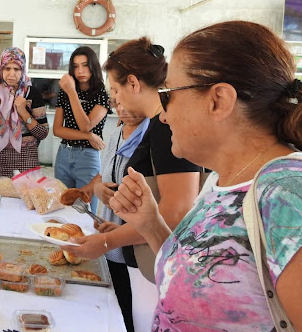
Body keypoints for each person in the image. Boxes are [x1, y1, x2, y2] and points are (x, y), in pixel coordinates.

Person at [110, 21, 302, 332]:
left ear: (218, 101)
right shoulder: (222, 181)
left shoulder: (286, 196)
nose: (163, 113)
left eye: (168, 94)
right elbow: (195, 276)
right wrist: (151, 224)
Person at [62, 37, 201, 332]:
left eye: (115, 89)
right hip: (147, 260)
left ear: (134, 84)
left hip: (160, 265)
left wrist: (107, 241)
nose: (116, 100)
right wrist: (119, 231)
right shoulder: (157, 125)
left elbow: (176, 211)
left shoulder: (164, 127)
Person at [89, 101, 149, 332]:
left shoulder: (151, 139)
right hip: (107, 242)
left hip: (132, 247)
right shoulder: (116, 133)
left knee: (128, 314)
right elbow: (102, 177)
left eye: (124, 94)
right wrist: (98, 189)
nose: (121, 105)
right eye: (115, 95)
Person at [53, 46, 110, 213]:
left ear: (93, 66)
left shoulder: (101, 93)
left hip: (88, 157)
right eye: (76, 66)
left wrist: (72, 93)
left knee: (85, 210)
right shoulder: (64, 93)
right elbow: (57, 130)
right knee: (62, 206)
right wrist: (89, 136)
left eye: (85, 65)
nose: (80, 71)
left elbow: (85, 125)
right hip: (64, 154)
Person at [0, 47, 49, 185]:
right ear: (1, 69)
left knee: (23, 203)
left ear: (22, 70)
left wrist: (23, 112)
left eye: (16, 69)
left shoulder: (33, 94)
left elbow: (43, 133)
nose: (11, 74)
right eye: (7, 68)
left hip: (25, 161)